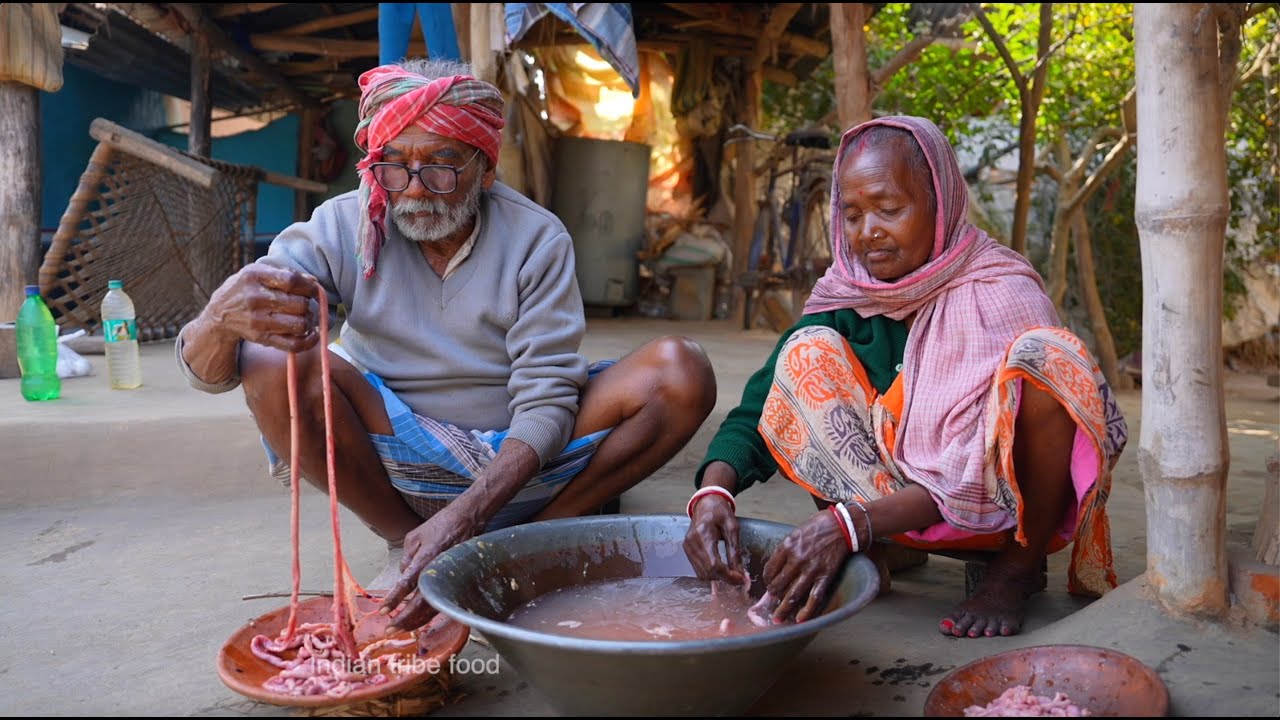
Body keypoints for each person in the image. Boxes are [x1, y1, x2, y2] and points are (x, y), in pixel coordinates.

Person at [176, 58, 717, 633]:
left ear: (485, 168)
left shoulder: (536, 238)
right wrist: (218, 319)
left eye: (441, 166)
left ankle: (530, 544)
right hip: (395, 453)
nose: (413, 190)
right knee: (265, 358)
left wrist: (467, 517)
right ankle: (402, 542)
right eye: (394, 166)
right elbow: (208, 372)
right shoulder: (342, 225)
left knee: (681, 371)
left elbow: (547, 401)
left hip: (522, 458)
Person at [683, 115, 1127, 639]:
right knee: (805, 354)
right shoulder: (845, 292)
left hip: (992, 506)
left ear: (940, 203)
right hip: (885, 512)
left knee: (1049, 359)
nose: (868, 231)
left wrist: (848, 523)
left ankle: (1014, 567)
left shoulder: (1000, 290)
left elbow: (977, 460)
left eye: (889, 209)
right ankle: (880, 547)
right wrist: (713, 495)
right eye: (851, 214)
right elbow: (758, 410)